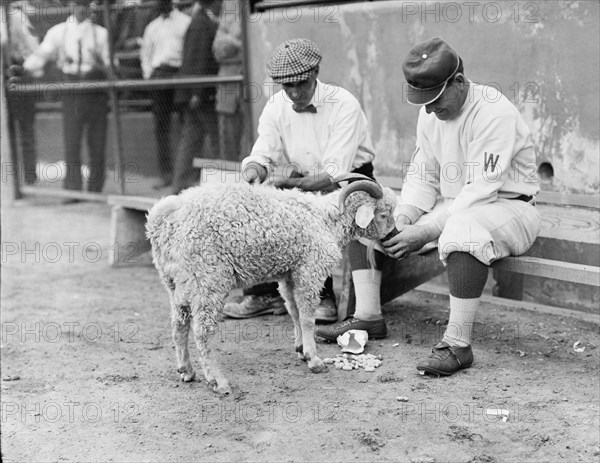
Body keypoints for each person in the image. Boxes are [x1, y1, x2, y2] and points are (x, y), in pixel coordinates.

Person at [320, 37, 542, 377]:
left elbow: (480, 191)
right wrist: (402, 216)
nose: (428, 109)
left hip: (508, 207)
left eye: (435, 99)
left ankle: (458, 345)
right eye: (423, 101)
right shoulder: (431, 116)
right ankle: (368, 316)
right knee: (366, 212)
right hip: (453, 205)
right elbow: (423, 176)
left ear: (458, 81)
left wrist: (423, 231)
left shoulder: (494, 111)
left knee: (462, 229)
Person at [223, 38, 387, 333]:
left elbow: (334, 173)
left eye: (302, 83)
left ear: (316, 73)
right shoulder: (276, 106)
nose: (296, 93)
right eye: (288, 87)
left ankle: (322, 296)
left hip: (352, 181)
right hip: (304, 180)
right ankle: (266, 293)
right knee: (264, 207)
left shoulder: (344, 103)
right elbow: (263, 151)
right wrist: (254, 170)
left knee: (312, 213)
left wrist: (287, 183)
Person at [24, 0, 111, 194]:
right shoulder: (59, 31)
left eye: (85, 4)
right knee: (71, 142)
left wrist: (101, 65)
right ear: (71, 5)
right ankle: (73, 190)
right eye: (78, 3)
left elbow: (111, 64)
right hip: (71, 90)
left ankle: (95, 190)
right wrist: (24, 69)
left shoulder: (100, 33)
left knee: (97, 143)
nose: (82, 8)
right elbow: (41, 56)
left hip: (95, 90)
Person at [171, 0, 221, 194]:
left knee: (190, 139)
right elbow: (198, 58)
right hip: (201, 94)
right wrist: (197, 93)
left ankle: (179, 186)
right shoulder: (201, 22)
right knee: (216, 139)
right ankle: (221, 186)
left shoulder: (200, 20)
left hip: (196, 92)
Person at [140, 0, 191, 189]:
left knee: (185, 123)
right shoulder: (152, 27)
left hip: (179, 75)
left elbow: (188, 52)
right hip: (159, 76)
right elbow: (145, 54)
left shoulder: (185, 22)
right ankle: (166, 173)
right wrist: (149, 76)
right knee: (161, 127)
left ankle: (184, 175)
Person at [1, 0, 39, 185]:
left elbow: (33, 48)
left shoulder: (17, 16)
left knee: (25, 129)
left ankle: (30, 178)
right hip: (2, 78)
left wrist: (23, 66)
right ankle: (11, 181)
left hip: (19, 74)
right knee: (5, 132)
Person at [212, 0, 244, 162]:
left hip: (253, 87)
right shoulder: (229, 7)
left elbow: (254, 45)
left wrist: (231, 39)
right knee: (228, 147)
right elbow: (218, 51)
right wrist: (236, 40)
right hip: (228, 88)